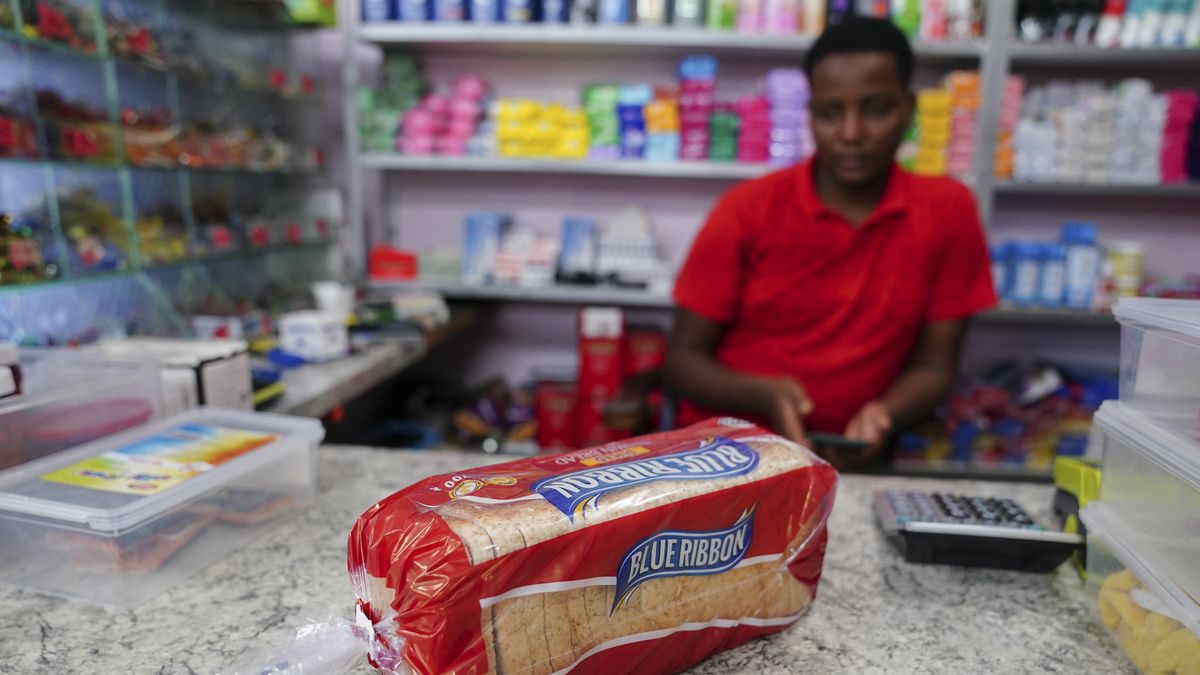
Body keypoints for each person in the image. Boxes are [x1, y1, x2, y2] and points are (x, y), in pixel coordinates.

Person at [664, 17, 996, 470]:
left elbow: (936, 367)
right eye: (830, 112)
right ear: (810, 114)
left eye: (876, 109)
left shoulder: (948, 210)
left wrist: (885, 414)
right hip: (724, 458)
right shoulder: (747, 208)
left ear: (909, 109)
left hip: (857, 460)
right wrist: (765, 394)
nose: (852, 133)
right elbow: (682, 361)